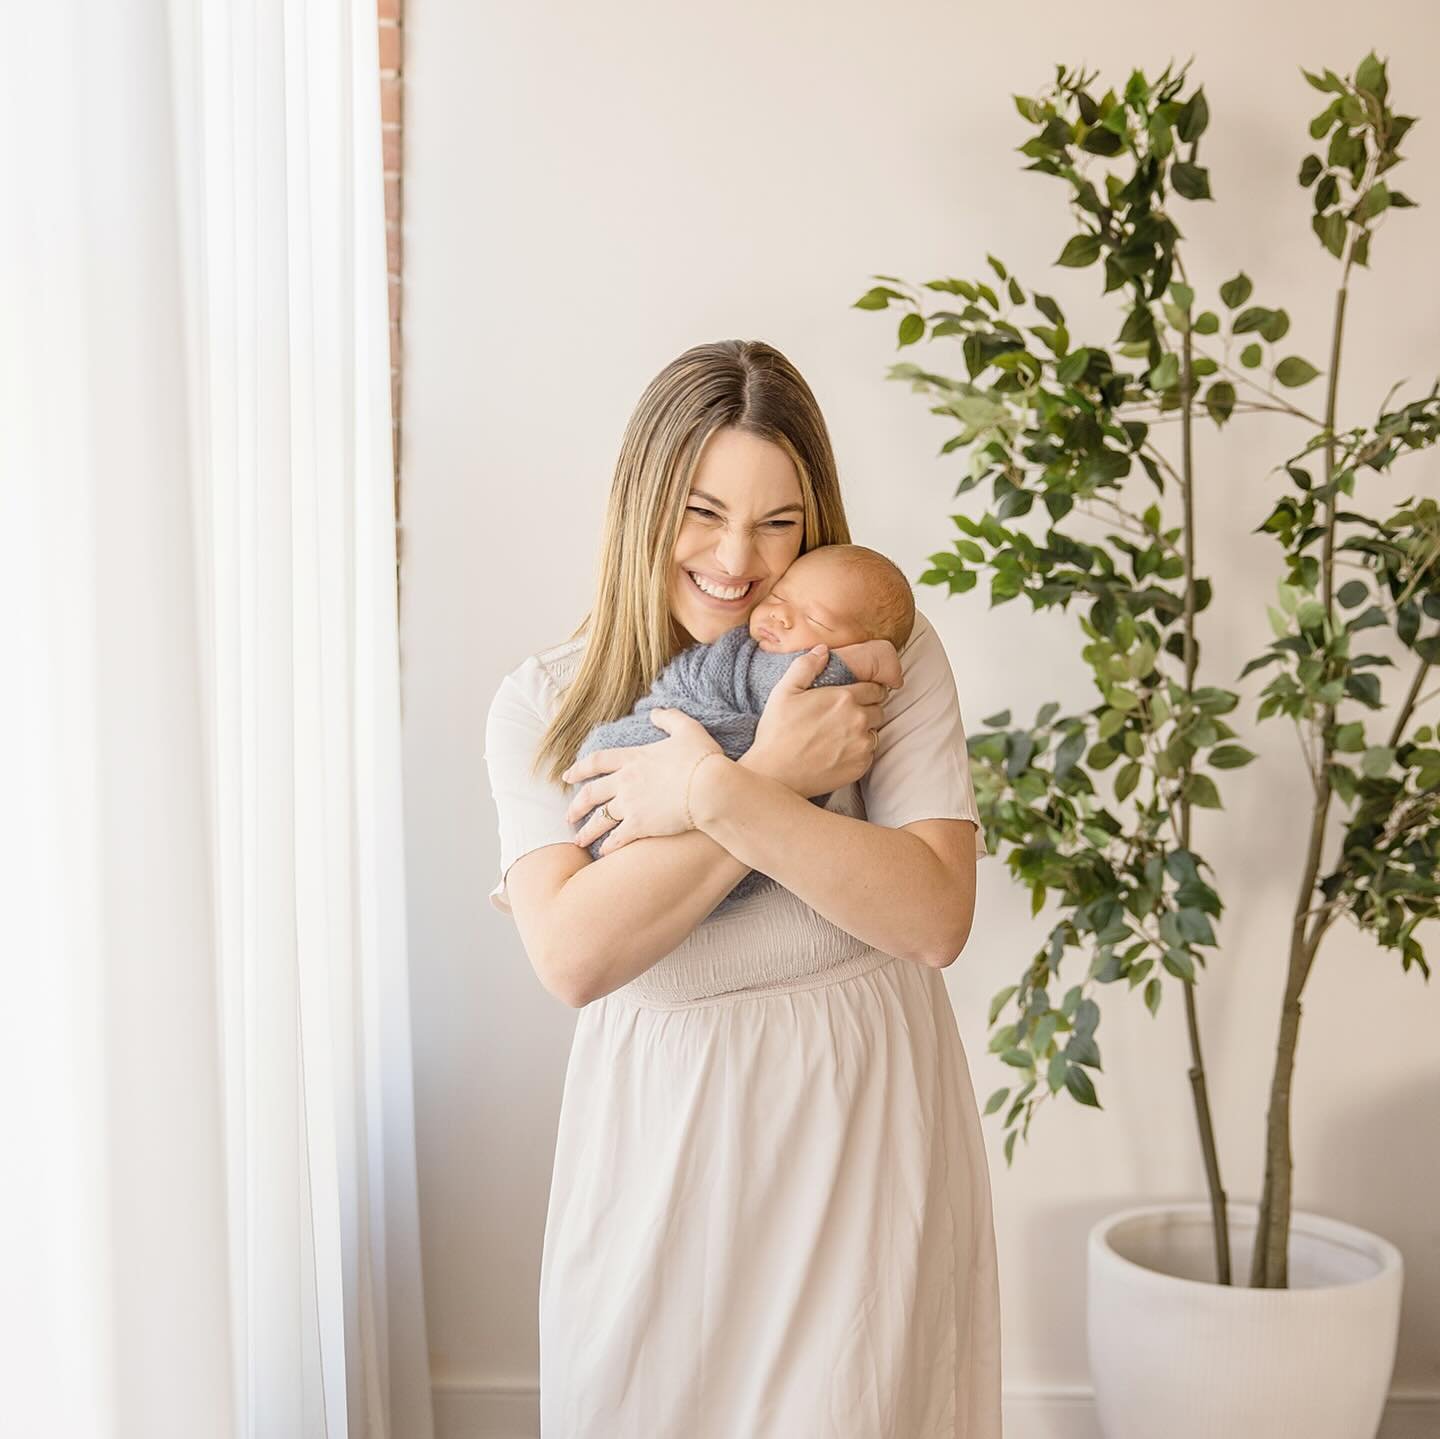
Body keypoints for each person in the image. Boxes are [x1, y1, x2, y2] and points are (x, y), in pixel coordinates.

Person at [483, 338, 1002, 1437]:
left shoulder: (870, 654)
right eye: (703, 511)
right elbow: (575, 956)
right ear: (642, 504)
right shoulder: (545, 704)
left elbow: (933, 915)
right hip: (661, 1136)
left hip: (862, 1116)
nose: (737, 560)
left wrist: (711, 796)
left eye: (780, 523)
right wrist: (771, 774)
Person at [567, 543, 916, 914]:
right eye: (779, 595)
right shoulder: (742, 655)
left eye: (816, 620)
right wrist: (860, 661)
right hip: (627, 770)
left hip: (687, 862)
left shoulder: (829, 698)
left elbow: (807, 678)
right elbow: (798, 678)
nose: (780, 614)